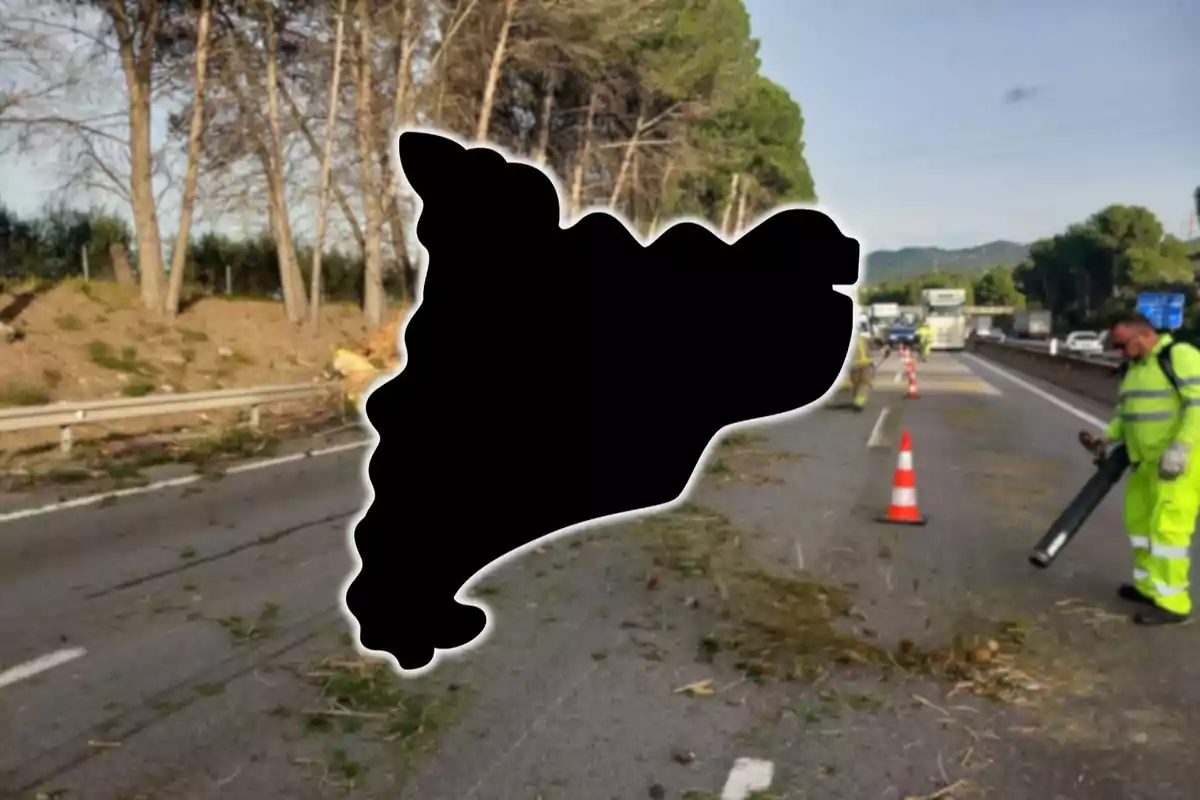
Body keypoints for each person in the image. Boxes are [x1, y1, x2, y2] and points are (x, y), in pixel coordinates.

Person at [1080, 312, 1200, 625]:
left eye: (1123, 344)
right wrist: (1106, 437)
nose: (1120, 351)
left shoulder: (1179, 356)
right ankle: (1149, 588)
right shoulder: (1135, 369)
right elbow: (1126, 412)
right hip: (1144, 462)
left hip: (1180, 463)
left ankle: (1173, 602)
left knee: (1167, 531)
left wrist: (1182, 447)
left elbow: (1197, 405)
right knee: (1141, 528)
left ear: (1143, 335)